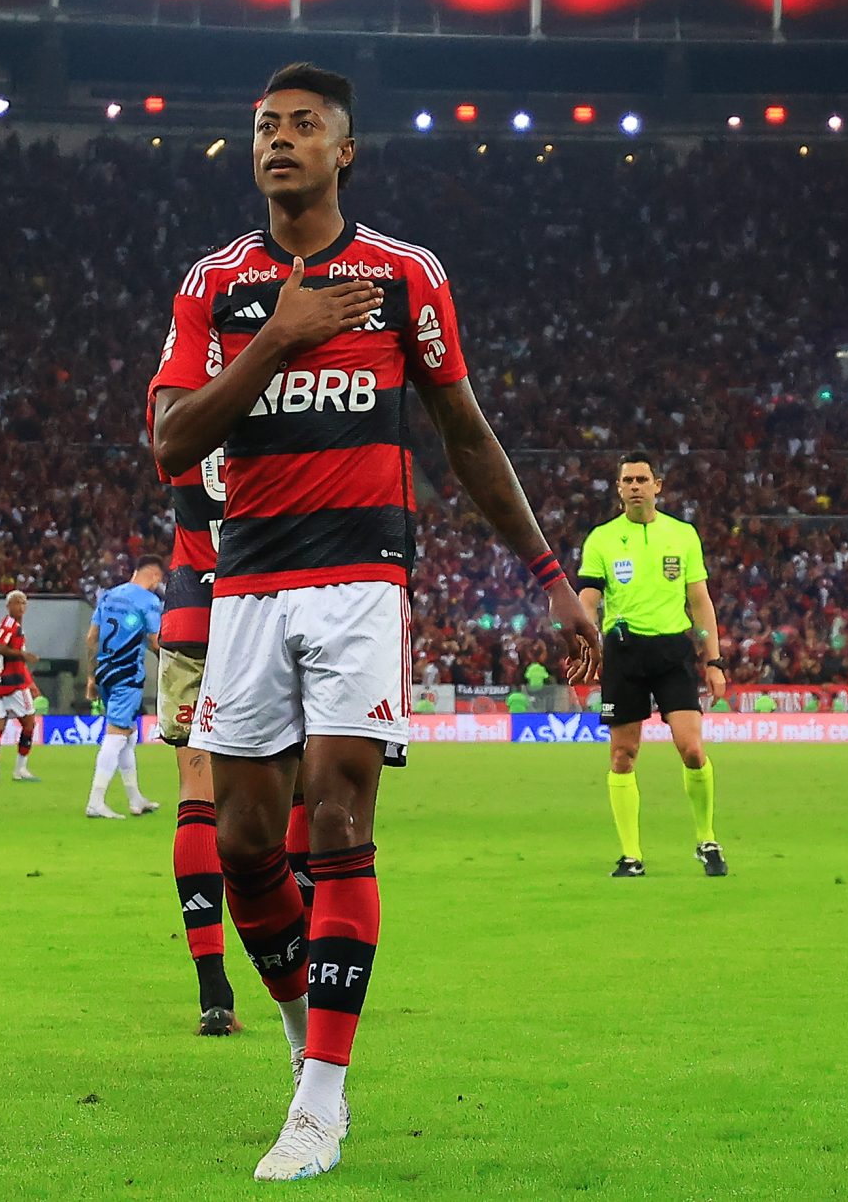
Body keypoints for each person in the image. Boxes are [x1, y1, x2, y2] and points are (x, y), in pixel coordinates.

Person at [149, 62, 600, 1181]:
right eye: (265, 126)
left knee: (338, 821)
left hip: (360, 580)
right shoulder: (215, 284)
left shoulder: (405, 276)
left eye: (304, 126)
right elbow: (170, 443)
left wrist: (547, 570)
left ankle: (319, 1100)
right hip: (245, 586)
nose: (280, 140)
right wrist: (279, 338)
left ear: (345, 150)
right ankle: (310, 1040)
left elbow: (463, 431)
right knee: (248, 845)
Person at [575, 454, 728, 879]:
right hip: (624, 653)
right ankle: (630, 856)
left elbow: (700, 602)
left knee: (692, 749)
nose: (636, 486)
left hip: (673, 652)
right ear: (619, 488)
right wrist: (582, 639)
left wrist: (713, 660)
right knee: (623, 755)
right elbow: (588, 598)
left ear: (658, 485)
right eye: (628, 480)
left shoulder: (682, 535)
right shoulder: (602, 539)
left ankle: (707, 839)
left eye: (644, 479)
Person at [155, 446, 240, 1034]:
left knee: (196, 788)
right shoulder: (278, 400)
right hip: (260, 601)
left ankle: (214, 991)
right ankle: (307, 969)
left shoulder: (181, 403)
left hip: (190, 613)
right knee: (294, 785)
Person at [83, 559, 166, 820]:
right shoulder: (149, 602)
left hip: (104, 673)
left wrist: (90, 677)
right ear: (153, 576)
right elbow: (155, 641)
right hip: (127, 674)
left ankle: (135, 799)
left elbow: (91, 638)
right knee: (117, 735)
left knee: (128, 735)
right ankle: (95, 801)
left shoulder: (109, 595)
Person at [0, 590, 40, 783]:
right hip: (13, 684)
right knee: (30, 723)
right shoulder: (12, 625)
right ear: (9, 606)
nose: (22, 607)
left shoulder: (10, 625)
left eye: (24, 603)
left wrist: (30, 681)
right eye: (18, 603)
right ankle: (20, 769)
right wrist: (24, 655)